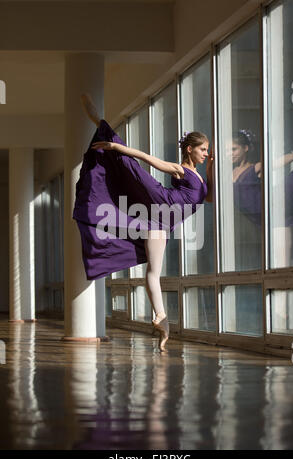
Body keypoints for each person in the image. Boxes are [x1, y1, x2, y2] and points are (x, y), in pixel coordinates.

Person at [73, 94, 214, 351]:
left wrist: (212, 166)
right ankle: (100, 122)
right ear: (190, 149)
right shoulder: (180, 168)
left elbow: (210, 196)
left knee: (153, 271)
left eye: (207, 150)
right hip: (163, 202)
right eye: (204, 149)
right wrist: (117, 149)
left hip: (160, 222)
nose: (206, 153)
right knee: (133, 170)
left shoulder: (201, 177)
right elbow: (149, 159)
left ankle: (161, 318)